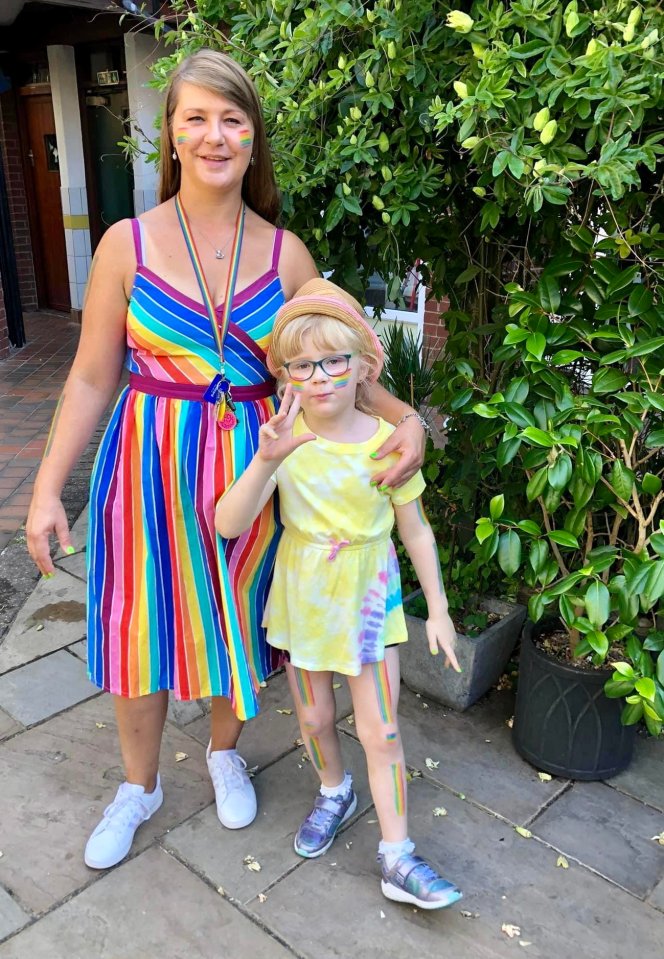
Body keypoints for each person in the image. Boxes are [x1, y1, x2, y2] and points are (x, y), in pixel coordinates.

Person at [25, 50, 428, 870]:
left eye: (233, 119)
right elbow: (93, 375)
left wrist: (406, 418)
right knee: (137, 630)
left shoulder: (287, 255)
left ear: (253, 138)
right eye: (197, 118)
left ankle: (220, 750)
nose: (215, 135)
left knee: (234, 624)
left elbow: (339, 364)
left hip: (254, 469)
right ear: (171, 134)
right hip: (143, 467)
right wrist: (43, 493)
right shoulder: (123, 244)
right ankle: (139, 786)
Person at [216, 278, 463, 910]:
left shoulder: (389, 445)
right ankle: (333, 789)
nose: (320, 376)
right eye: (302, 365)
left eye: (335, 360)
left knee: (381, 732)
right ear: (287, 375)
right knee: (315, 716)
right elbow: (228, 523)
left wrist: (436, 608)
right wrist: (266, 461)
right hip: (303, 602)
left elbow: (416, 530)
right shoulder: (284, 443)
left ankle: (397, 856)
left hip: (369, 601)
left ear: (363, 366)